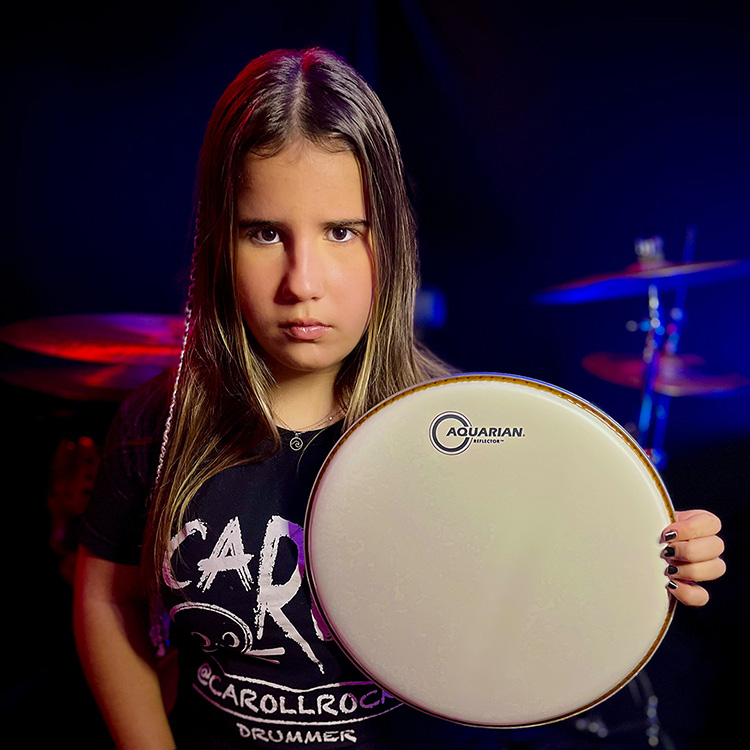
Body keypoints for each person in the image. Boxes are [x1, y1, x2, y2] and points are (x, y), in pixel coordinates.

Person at [72, 48, 726, 750]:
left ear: (390, 239)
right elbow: (107, 599)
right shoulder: (160, 422)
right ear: (217, 243)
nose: (302, 282)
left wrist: (656, 555)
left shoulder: (459, 427)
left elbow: (551, 575)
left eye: (341, 232)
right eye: (263, 233)